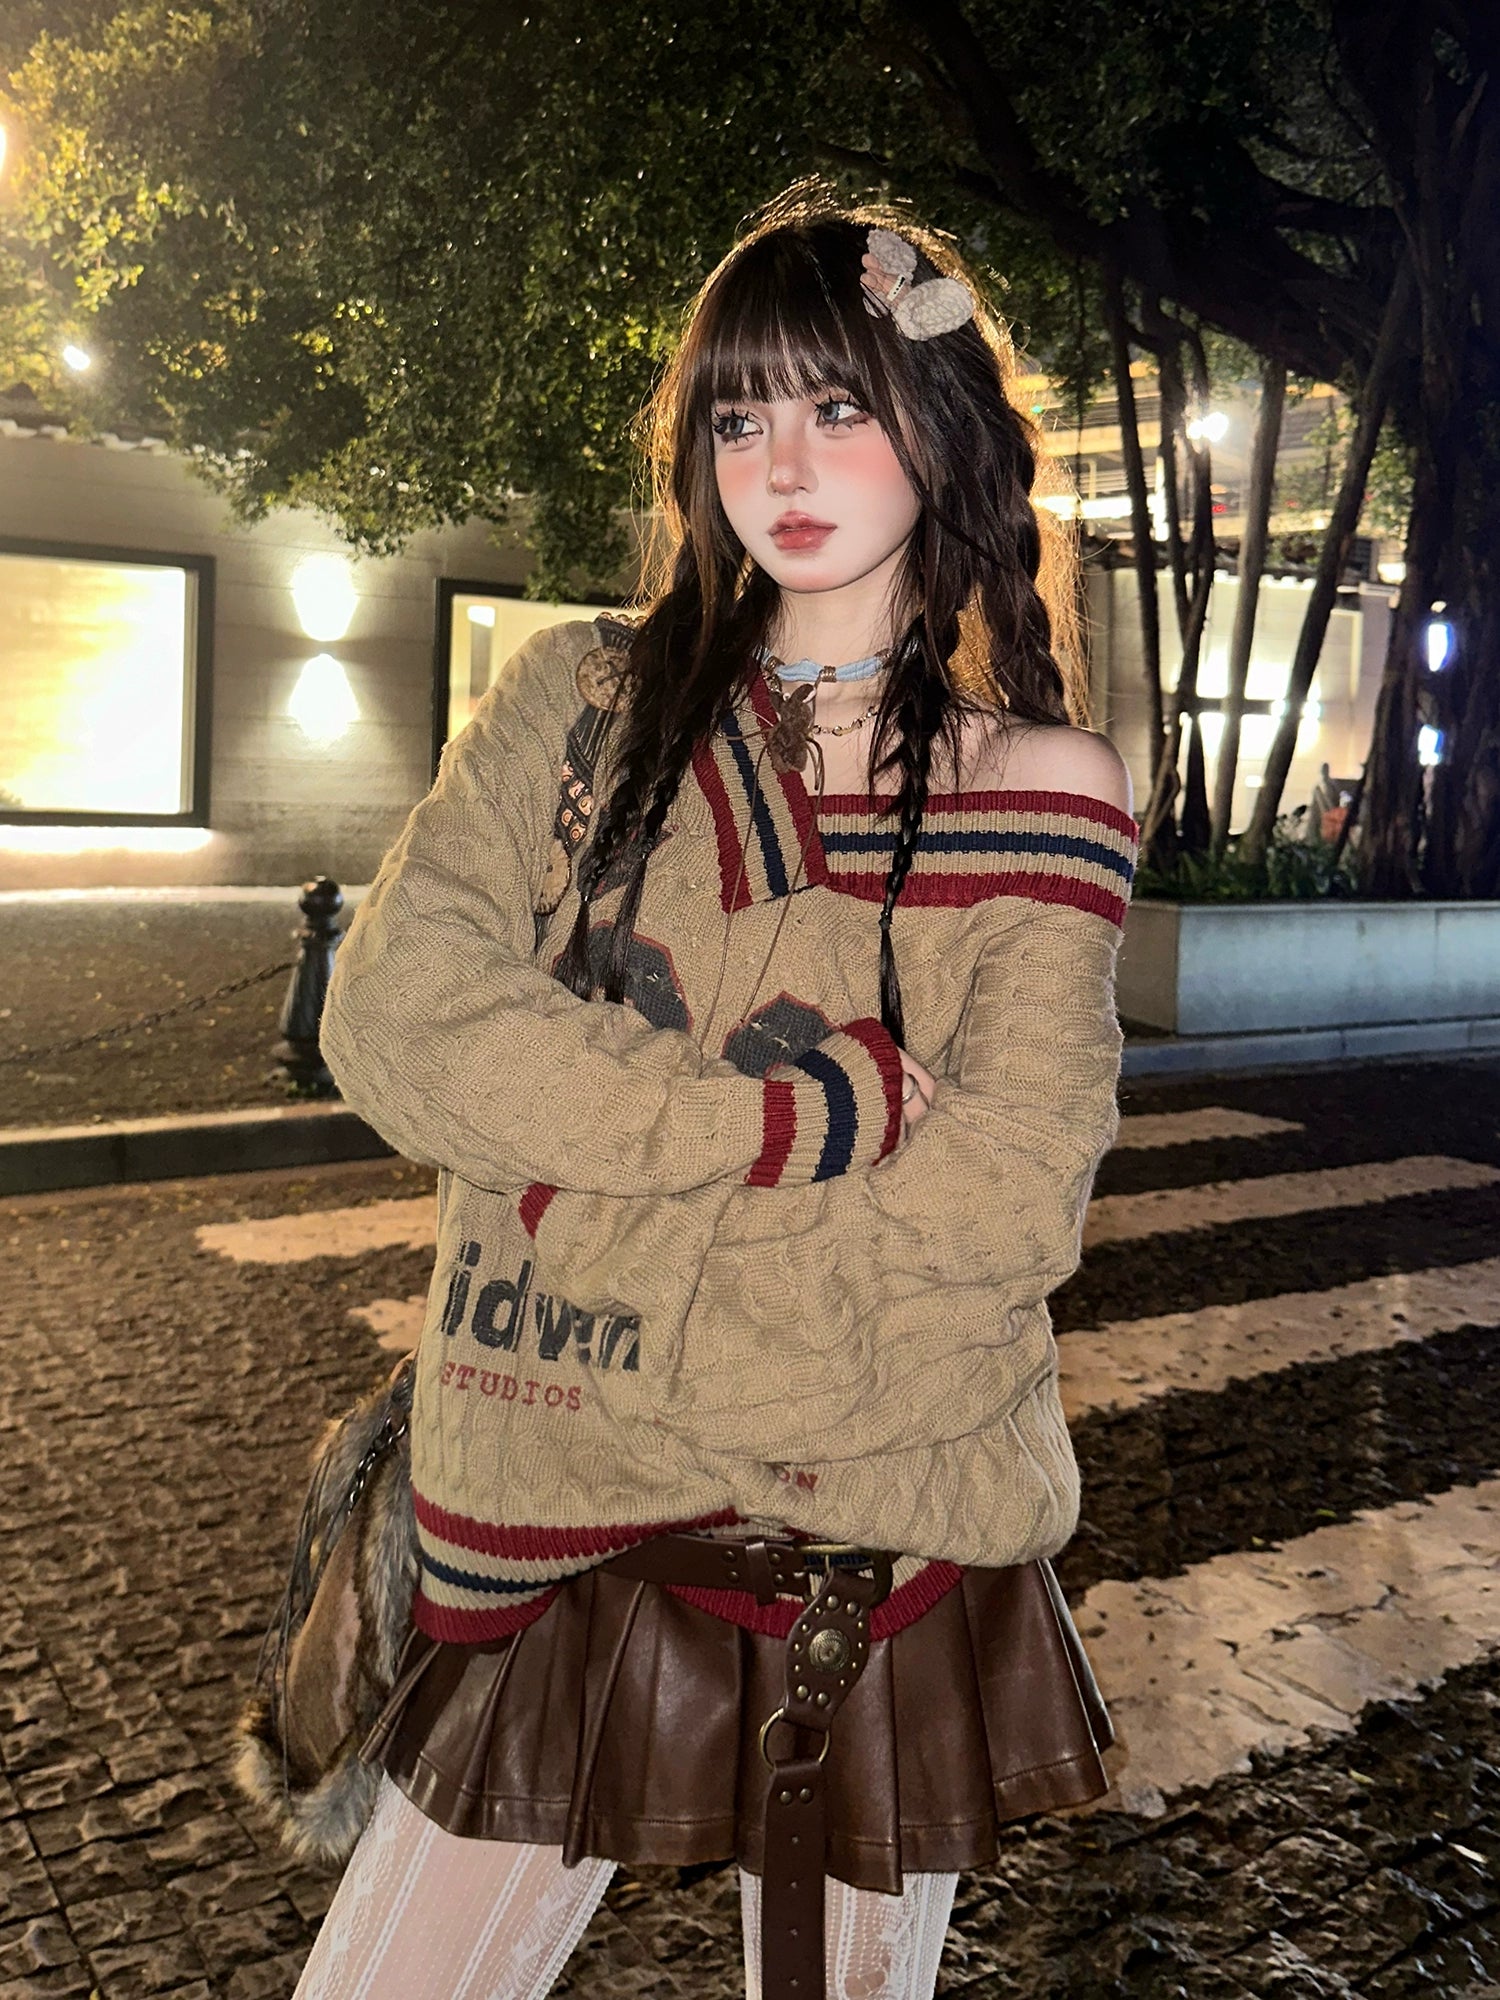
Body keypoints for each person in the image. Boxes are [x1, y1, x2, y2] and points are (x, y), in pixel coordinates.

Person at [296, 188, 1137, 2000]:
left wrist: (590, 1196)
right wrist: (774, 1127)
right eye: (741, 415)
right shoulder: (579, 704)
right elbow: (398, 1020)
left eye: (839, 404)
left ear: (940, 426)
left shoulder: (1043, 784)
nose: (786, 464)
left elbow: (1003, 1205)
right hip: (556, 1537)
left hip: (866, 1563)